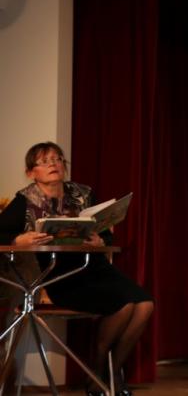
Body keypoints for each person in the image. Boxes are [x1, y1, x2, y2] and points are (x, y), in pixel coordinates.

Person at [0, 142, 154, 396]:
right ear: (31, 172)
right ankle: (100, 372)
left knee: (145, 305)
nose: (53, 164)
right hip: (61, 277)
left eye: (57, 158)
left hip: (96, 267)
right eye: (45, 161)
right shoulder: (24, 201)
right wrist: (18, 240)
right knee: (125, 306)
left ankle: (110, 372)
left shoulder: (83, 193)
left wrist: (100, 240)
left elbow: (105, 232)